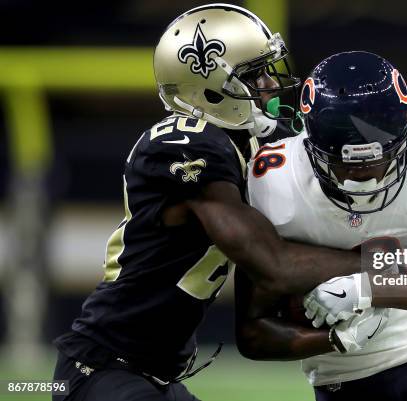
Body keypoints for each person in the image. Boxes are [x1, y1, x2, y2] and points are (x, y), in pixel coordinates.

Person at [51, 5, 371, 401]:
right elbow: (271, 263)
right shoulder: (183, 144)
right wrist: (385, 265)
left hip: (152, 376)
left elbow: (334, 146)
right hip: (100, 370)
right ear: (210, 87)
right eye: (255, 74)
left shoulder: (245, 139)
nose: (270, 84)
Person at [236, 51, 407, 401]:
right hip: (345, 381)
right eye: (346, 165)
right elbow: (252, 333)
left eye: (381, 159)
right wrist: (334, 339)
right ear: (310, 145)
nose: (365, 179)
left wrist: (368, 288)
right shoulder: (273, 185)